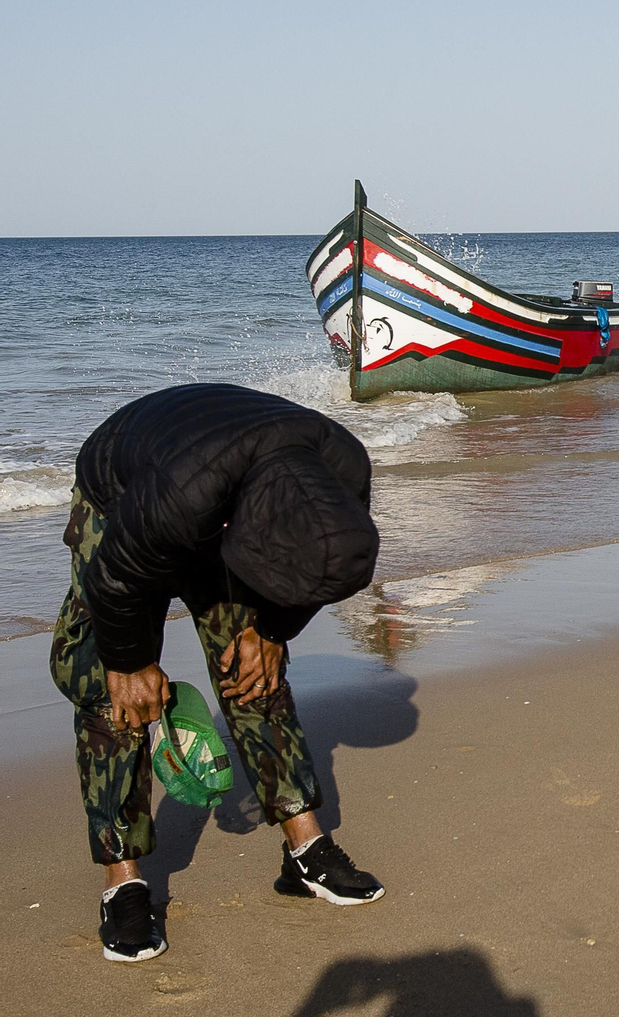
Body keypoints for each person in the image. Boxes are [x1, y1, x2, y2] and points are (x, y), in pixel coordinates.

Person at [51, 384, 386, 963]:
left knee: (254, 666)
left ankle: (305, 848)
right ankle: (122, 880)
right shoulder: (177, 497)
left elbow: (319, 569)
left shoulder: (343, 472)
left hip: (232, 489)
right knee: (112, 693)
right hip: (125, 500)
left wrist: (273, 629)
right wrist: (131, 662)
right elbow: (115, 581)